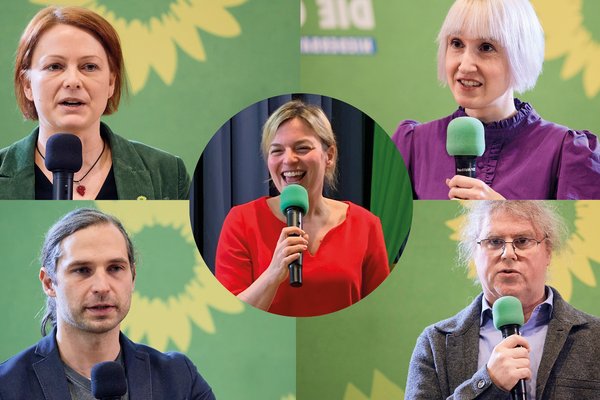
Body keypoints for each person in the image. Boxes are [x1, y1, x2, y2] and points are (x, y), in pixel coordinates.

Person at [392, 0, 600, 200]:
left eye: (486, 47)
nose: (465, 66)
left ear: (520, 55)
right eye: (456, 43)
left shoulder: (566, 154)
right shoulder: (413, 146)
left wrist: (502, 209)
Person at [0, 209, 215, 399]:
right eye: (82, 270)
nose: (102, 287)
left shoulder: (179, 379)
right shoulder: (6, 386)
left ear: (132, 277)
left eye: (115, 268)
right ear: (49, 283)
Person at [406, 201, 600, 399]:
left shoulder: (595, 337)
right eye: (495, 241)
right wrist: (487, 382)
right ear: (475, 253)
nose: (508, 254)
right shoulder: (435, 343)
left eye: (522, 241)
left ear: (548, 251)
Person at [215, 100, 390, 317]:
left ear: (329, 155)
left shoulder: (366, 224)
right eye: (276, 151)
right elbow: (229, 317)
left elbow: (379, 314)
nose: (288, 159)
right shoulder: (241, 220)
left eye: (302, 148)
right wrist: (273, 274)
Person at [0, 6, 190, 199]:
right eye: (55, 66)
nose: (73, 81)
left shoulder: (167, 174)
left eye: (89, 67)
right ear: (27, 85)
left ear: (111, 83)